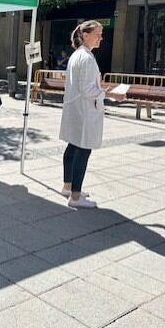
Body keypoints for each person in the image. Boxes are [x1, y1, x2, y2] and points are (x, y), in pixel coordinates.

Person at [59, 20, 125, 209]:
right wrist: (112, 94)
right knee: (83, 149)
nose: (101, 38)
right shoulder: (86, 58)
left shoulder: (77, 55)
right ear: (85, 35)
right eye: (98, 34)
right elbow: (88, 90)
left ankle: (68, 186)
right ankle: (76, 196)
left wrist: (101, 89)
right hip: (85, 112)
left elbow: (85, 86)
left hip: (77, 109)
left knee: (73, 146)